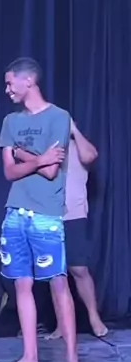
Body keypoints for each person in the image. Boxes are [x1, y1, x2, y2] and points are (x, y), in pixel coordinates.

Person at [0, 57, 82, 362]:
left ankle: (72, 361)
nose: (7, 90)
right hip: (15, 212)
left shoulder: (59, 117)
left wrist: (22, 154)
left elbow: (51, 172)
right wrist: (35, 158)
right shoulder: (10, 121)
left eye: (10, 83)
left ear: (28, 81)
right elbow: (9, 172)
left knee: (58, 283)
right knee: (22, 284)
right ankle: (30, 358)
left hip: (46, 214)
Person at [46, 120, 107, 340]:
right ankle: (61, 325)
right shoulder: (46, 149)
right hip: (48, 217)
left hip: (74, 216)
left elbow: (91, 156)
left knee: (79, 269)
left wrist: (73, 130)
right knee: (54, 273)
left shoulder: (77, 147)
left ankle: (94, 317)